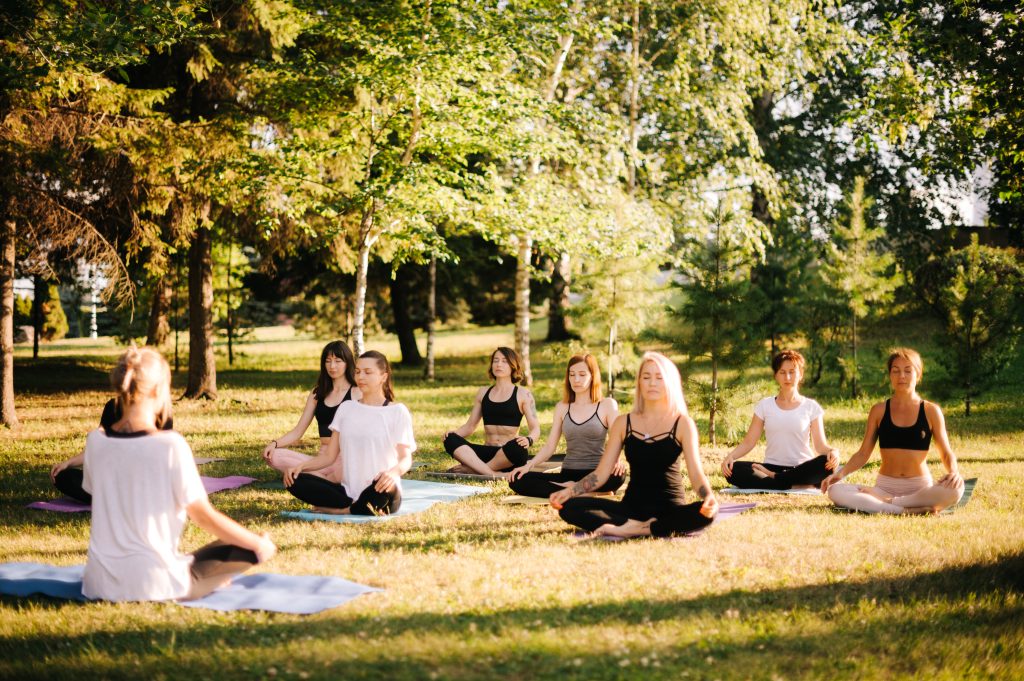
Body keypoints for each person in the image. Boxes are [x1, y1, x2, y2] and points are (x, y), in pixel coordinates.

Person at [81, 347, 276, 602]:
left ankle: (203, 574)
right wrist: (259, 546)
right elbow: (203, 517)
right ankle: (211, 577)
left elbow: (97, 493)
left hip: (98, 583)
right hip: (154, 584)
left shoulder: (95, 441)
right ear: (157, 390)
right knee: (250, 544)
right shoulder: (170, 445)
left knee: (218, 550)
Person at [552, 352, 718, 538]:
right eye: (646, 377)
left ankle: (642, 528)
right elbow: (601, 474)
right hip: (631, 508)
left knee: (707, 514)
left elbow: (696, 474)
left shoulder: (682, 424)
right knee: (570, 508)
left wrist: (707, 496)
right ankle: (644, 526)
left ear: (669, 382)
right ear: (639, 382)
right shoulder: (624, 423)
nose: (652, 383)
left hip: (670, 508)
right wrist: (570, 492)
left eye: (659, 377)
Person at [821, 348, 965, 514]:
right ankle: (904, 510)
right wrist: (838, 475)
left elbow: (946, 453)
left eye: (907, 370)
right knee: (835, 491)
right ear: (890, 375)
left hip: (919, 489)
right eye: (895, 371)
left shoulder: (931, 411)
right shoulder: (879, 410)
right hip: (884, 488)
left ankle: (892, 504)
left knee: (956, 490)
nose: (901, 376)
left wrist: (954, 472)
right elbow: (863, 454)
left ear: (918, 375)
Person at [284, 351, 415, 515]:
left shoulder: (397, 411)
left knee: (381, 489)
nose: (361, 377)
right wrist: (300, 467)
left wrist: (393, 473)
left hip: (381, 490)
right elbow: (329, 456)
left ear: (383, 377)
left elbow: (406, 458)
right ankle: (356, 507)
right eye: (358, 371)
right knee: (294, 480)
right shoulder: (346, 408)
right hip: (346, 492)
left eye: (368, 372)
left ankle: (342, 511)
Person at [508, 354, 625, 497]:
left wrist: (616, 460)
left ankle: (572, 489)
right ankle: (581, 490)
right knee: (517, 479)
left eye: (582, 374)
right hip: (568, 474)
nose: (576, 380)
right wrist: (528, 466)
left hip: (597, 473)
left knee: (618, 476)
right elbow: (550, 447)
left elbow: (617, 439)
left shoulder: (606, 404)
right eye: (572, 374)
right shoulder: (562, 407)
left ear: (593, 376)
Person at [720, 350, 839, 490]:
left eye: (792, 372)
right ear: (776, 375)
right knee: (735, 469)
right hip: (771, 466)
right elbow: (749, 442)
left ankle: (777, 479)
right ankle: (791, 483)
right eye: (782, 372)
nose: (787, 377)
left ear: (800, 374)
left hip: (801, 468)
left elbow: (820, 446)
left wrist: (833, 451)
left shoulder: (811, 407)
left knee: (825, 463)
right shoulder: (765, 405)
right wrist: (730, 457)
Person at [262, 340, 360, 482]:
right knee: (274, 456)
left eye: (338, 361)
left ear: (348, 363)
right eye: (328, 361)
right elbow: (298, 431)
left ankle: (321, 480)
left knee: (347, 472)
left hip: (347, 458)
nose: (332, 366)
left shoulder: (357, 393)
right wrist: (274, 443)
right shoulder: (317, 393)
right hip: (321, 461)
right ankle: (324, 479)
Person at [50, 397, 174, 504]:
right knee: (61, 476)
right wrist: (68, 463)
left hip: (142, 482)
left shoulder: (161, 410)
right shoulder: (113, 407)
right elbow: (97, 447)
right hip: (111, 481)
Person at [442, 347, 541, 477]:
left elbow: (535, 429)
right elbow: (470, 426)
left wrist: (529, 440)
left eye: (504, 361)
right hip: (484, 454)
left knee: (519, 448)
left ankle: (473, 470)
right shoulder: (483, 393)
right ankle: (491, 473)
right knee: (450, 439)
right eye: (496, 360)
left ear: (513, 366)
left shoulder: (524, 394)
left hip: (507, 455)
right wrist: (452, 435)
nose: (499, 364)